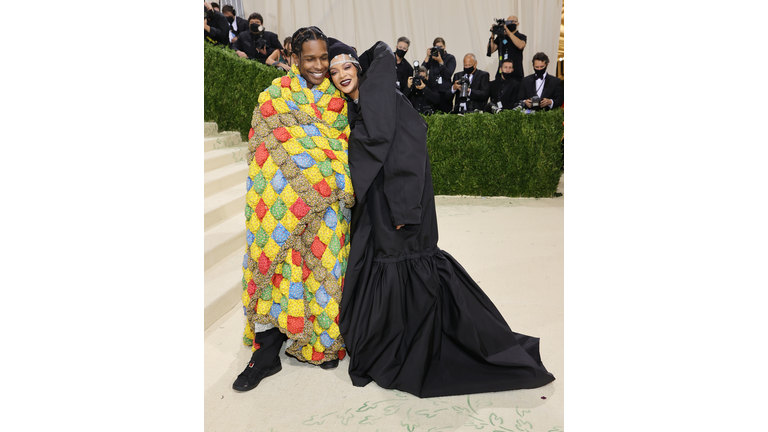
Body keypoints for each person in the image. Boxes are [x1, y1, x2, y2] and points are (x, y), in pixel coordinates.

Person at [327, 38, 556, 398]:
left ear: (358, 67)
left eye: (347, 66)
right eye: (334, 70)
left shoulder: (384, 100)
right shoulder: (360, 105)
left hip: (398, 208)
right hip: (377, 207)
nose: (341, 74)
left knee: (407, 269)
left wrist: (405, 210)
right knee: (387, 270)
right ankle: (390, 342)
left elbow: (409, 149)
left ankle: (411, 347)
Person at [233, 26, 355, 392]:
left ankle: (321, 341)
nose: (318, 66)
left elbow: (343, 149)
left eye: (323, 58)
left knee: (325, 275)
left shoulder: (338, 100)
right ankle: (266, 353)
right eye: (309, 59)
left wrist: (322, 179)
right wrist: (289, 198)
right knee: (276, 270)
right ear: (294, 59)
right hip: (281, 205)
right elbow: (265, 150)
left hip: (329, 210)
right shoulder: (274, 97)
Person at [486, 15, 527, 82]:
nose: (510, 24)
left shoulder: (521, 36)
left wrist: (508, 32)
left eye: (512, 22)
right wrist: (493, 35)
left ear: (517, 24)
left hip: (516, 73)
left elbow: (521, 45)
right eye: (508, 22)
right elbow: (490, 50)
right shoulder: (502, 37)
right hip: (501, 73)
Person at [422, 37, 456, 113]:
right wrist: (427, 56)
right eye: (437, 47)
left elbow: (448, 75)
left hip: (444, 92)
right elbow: (422, 70)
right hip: (433, 91)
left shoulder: (450, 58)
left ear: (444, 46)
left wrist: (440, 61)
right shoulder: (431, 58)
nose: (439, 49)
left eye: (441, 47)